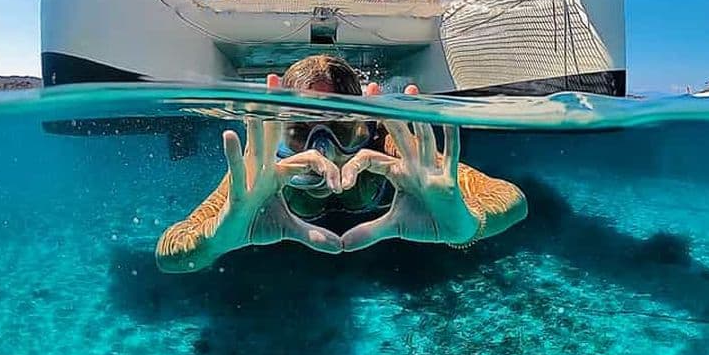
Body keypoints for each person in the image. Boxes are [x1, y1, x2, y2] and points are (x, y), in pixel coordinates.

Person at [155, 55, 527, 273]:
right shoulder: (263, 168)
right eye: (301, 131)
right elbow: (168, 254)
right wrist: (214, 242)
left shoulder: (392, 146)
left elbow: (512, 199)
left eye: (341, 130)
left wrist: (466, 225)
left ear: (365, 125)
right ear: (279, 128)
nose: (325, 150)